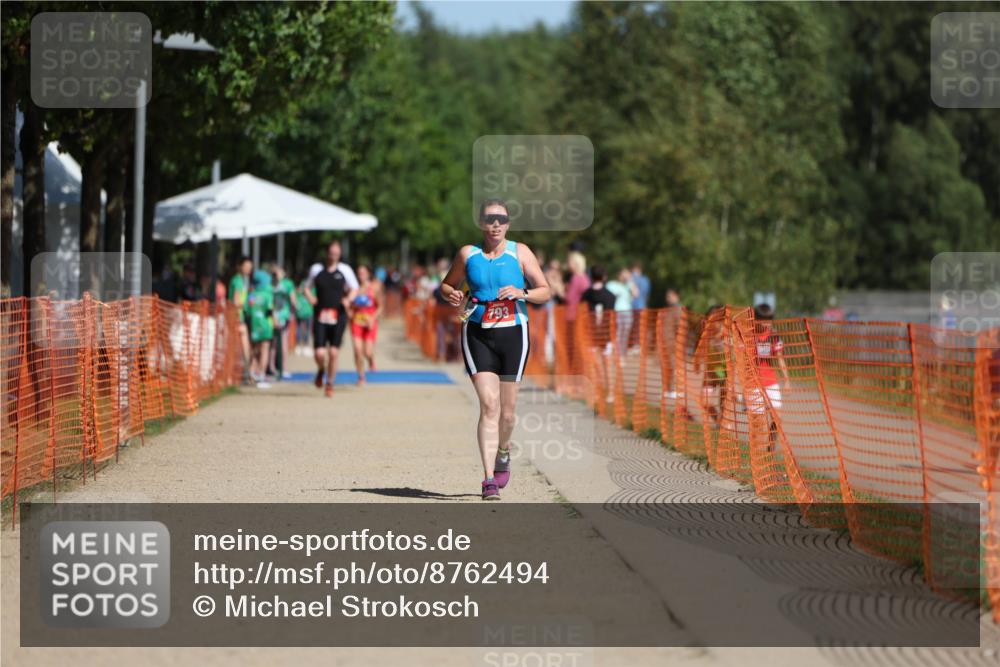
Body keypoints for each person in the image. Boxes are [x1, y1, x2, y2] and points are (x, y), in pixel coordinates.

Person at [439, 198, 550, 500]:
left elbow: (545, 290)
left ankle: (504, 451)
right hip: (477, 331)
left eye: (502, 219)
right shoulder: (468, 254)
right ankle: (488, 479)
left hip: (514, 331)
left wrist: (522, 292)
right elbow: (447, 285)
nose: (496, 224)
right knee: (489, 406)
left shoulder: (520, 252)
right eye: (490, 219)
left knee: (508, 413)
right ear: (481, 222)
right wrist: (452, 294)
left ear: (508, 223)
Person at [305, 240, 359, 397]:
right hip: (320, 315)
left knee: (334, 352)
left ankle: (330, 384)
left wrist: (348, 299)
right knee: (320, 353)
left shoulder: (345, 270)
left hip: (338, 315)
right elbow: (306, 287)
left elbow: (355, 288)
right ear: (327, 252)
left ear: (340, 253)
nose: (333, 254)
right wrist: (310, 298)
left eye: (336, 252)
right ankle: (321, 369)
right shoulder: (317, 269)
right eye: (331, 251)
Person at [747, 303, 790, 453]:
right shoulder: (748, 335)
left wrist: (787, 379)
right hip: (753, 383)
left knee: (778, 418)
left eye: (769, 319)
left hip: (770, 381)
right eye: (762, 319)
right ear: (755, 319)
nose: (766, 323)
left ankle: (770, 448)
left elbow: (779, 358)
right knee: (757, 422)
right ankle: (756, 453)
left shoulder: (773, 336)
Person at [581, 266, 617, 398]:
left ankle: (597, 391)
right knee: (607, 363)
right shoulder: (610, 296)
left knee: (594, 363)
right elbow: (611, 316)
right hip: (605, 333)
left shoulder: (586, 294)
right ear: (604, 277)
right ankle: (610, 393)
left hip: (590, 332)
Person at [350, 264, 383, 385]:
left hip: (370, 323)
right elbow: (350, 305)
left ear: (368, 274)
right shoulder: (354, 289)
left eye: (363, 273)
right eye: (359, 273)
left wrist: (373, 318)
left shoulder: (374, 288)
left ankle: (371, 360)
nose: (361, 276)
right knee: (358, 350)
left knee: (367, 352)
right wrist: (350, 311)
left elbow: (380, 307)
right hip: (356, 322)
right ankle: (361, 376)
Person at [246, 269, 275, 388]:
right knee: (264, 350)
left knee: (254, 350)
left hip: (253, 325)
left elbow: (247, 310)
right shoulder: (268, 294)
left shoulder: (251, 295)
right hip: (265, 325)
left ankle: (251, 375)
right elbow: (270, 310)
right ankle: (261, 374)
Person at [228, 257, 254, 383]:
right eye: (247, 266)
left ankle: (244, 373)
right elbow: (236, 301)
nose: (249, 269)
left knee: (242, 346)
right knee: (242, 346)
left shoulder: (244, 281)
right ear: (240, 266)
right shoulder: (238, 280)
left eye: (250, 266)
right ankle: (244, 373)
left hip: (240, 316)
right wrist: (246, 303)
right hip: (235, 317)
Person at [270, 265, 297, 380]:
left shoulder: (287, 284)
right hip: (273, 316)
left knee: (279, 343)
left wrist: (292, 313)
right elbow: (293, 300)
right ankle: (274, 368)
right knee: (275, 343)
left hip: (282, 316)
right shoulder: (271, 284)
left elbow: (293, 300)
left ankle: (279, 367)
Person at [606, 267, 638, 356]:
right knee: (617, 333)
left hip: (628, 313)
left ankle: (622, 353)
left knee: (625, 334)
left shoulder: (628, 286)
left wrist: (630, 281)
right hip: (617, 312)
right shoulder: (612, 284)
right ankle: (616, 353)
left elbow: (636, 294)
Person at [662, 287, 682, 399]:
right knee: (669, 366)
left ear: (677, 296)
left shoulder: (678, 310)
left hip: (674, 343)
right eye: (667, 296)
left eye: (670, 296)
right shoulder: (668, 310)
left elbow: (679, 328)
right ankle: (669, 389)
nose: (667, 298)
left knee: (674, 366)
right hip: (667, 342)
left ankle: (673, 389)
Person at [294, 274, 315, 355]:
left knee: (299, 328)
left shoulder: (299, 289)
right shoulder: (310, 288)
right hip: (307, 311)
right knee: (306, 329)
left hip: (300, 311)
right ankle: (304, 346)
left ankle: (299, 346)